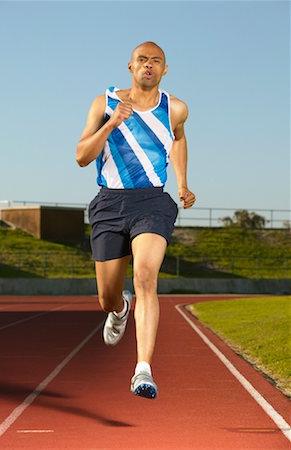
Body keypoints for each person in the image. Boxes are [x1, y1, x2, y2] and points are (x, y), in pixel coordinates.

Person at [76, 41, 196, 399]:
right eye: (142, 60)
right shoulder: (105, 102)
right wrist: (112, 122)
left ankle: (143, 369)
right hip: (109, 203)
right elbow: (82, 156)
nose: (148, 65)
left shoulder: (176, 108)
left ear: (164, 70)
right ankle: (121, 308)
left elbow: (178, 140)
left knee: (146, 276)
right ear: (130, 67)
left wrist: (183, 183)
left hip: (152, 202)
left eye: (155, 61)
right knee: (106, 297)